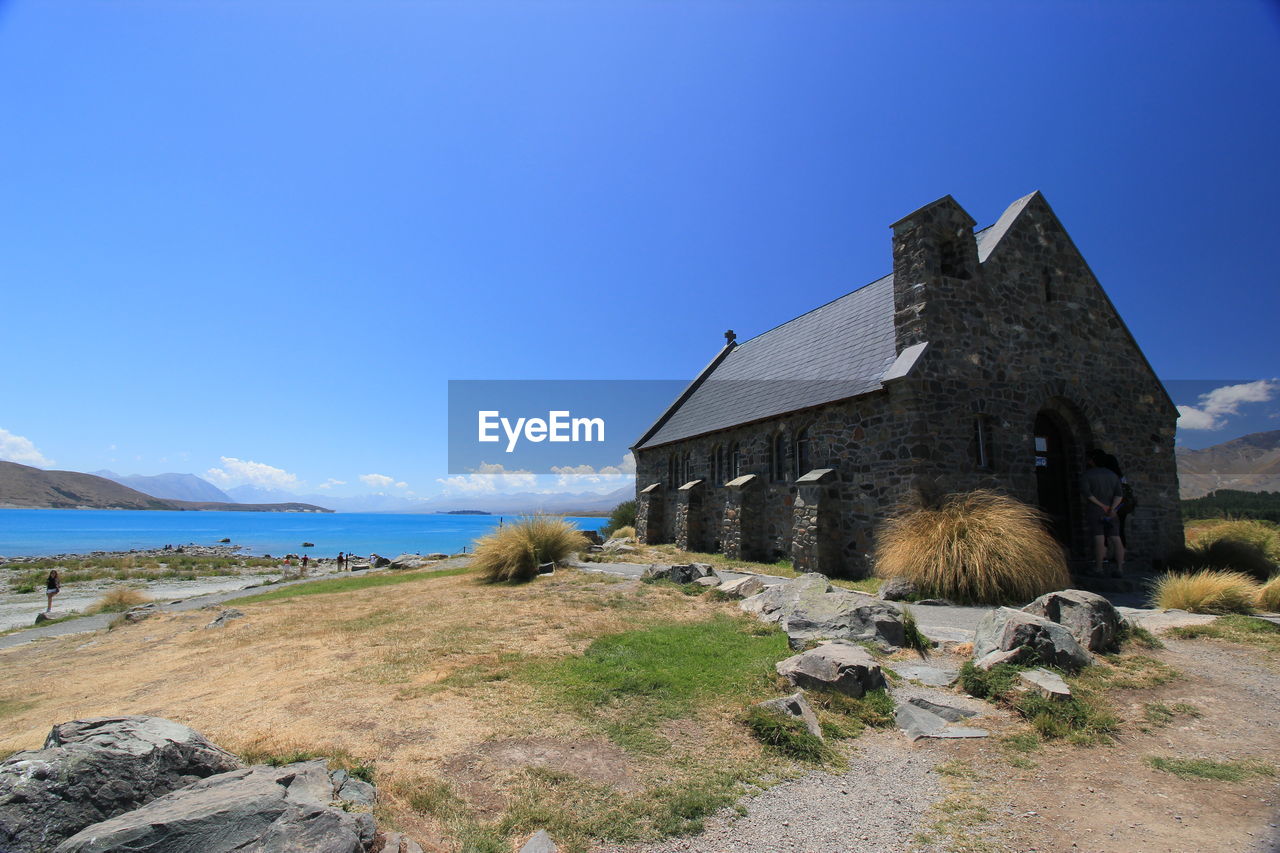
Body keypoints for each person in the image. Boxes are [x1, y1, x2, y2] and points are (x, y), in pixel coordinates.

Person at [1083, 449, 1125, 576]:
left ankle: (1099, 568)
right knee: (1116, 538)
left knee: (1099, 537)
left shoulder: (1088, 475)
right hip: (1112, 511)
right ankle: (1119, 568)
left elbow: (1087, 494)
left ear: (1093, 461)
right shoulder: (1113, 475)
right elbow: (1119, 495)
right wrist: (1112, 508)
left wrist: (1102, 506)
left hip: (1096, 510)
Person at [1101, 452, 1135, 548]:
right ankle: (1120, 555)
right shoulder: (1121, 476)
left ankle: (1105, 554)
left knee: (1104, 530)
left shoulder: (1107, 476)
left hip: (1111, 505)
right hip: (1122, 506)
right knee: (1120, 530)